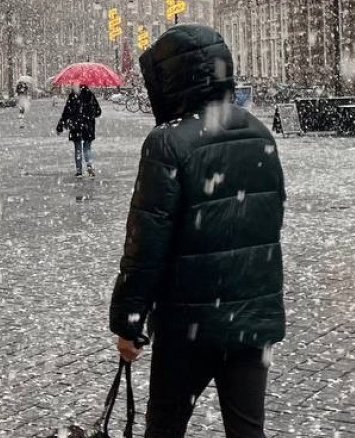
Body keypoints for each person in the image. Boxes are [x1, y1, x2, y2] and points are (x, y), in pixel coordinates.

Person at [109, 24, 285, 438]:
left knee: (165, 427)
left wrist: (129, 321)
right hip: (250, 321)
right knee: (247, 431)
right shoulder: (259, 134)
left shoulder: (167, 143)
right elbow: (269, 224)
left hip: (189, 323)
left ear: (171, 79)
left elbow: (146, 244)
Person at [55, 84, 102, 177]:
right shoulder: (90, 95)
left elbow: (66, 112)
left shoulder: (73, 96)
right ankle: (89, 166)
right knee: (87, 147)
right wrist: (90, 115)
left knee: (78, 149)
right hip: (88, 126)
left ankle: (79, 170)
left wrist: (60, 126)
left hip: (76, 126)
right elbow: (98, 111)